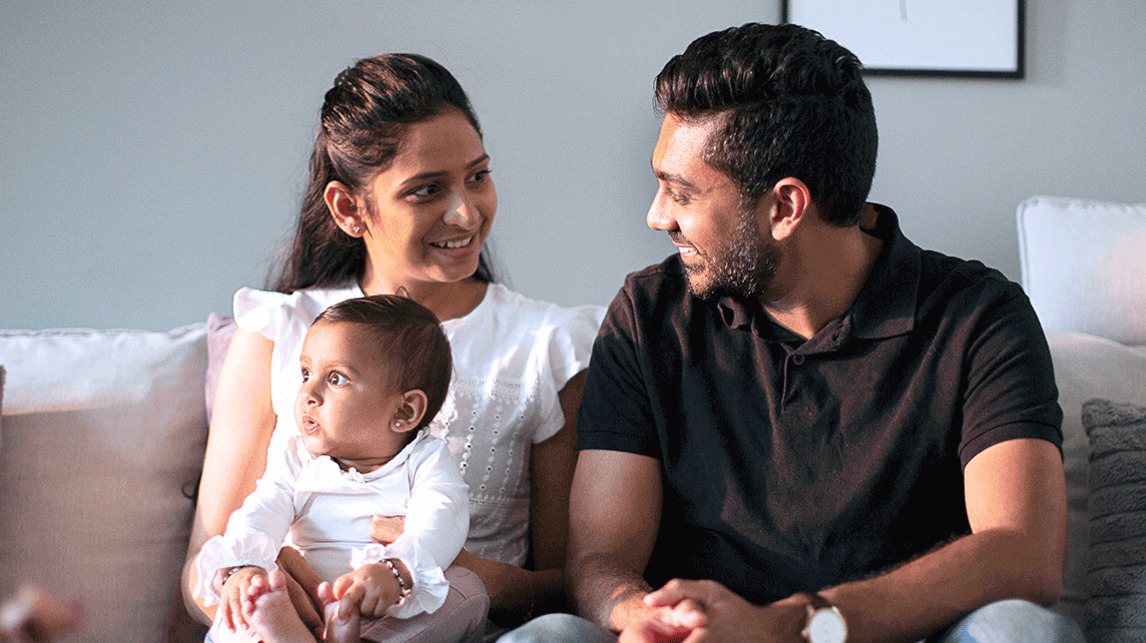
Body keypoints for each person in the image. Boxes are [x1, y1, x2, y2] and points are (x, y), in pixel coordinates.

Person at [503, 22, 1084, 643]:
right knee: (551, 637)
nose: (657, 216)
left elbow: (1023, 554)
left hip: (879, 636)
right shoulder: (649, 314)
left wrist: (787, 626)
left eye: (681, 193)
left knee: (1019, 629)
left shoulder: (978, 316)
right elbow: (601, 559)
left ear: (785, 207)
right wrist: (637, 614)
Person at [181, 54, 604, 638]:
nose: (466, 212)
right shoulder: (279, 330)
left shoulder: (546, 347)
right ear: (349, 208)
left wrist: (465, 576)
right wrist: (256, 585)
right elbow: (202, 568)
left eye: (477, 176)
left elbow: (569, 584)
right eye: (427, 190)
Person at [194, 295, 477, 642]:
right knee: (249, 599)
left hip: (383, 605)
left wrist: (398, 570)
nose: (308, 393)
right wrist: (245, 565)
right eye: (306, 374)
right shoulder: (298, 457)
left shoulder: (425, 460)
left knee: (468, 589)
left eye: (336, 379)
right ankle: (283, 626)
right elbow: (264, 508)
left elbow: (443, 516)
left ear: (404, 412)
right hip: (304, 598)